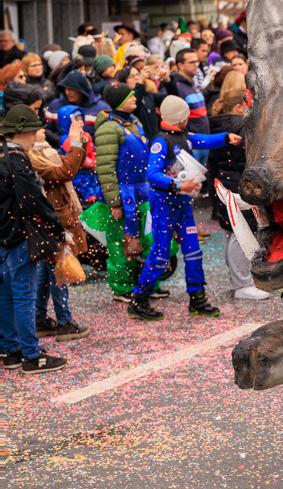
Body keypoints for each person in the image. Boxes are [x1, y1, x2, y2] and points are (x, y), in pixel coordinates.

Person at [127, 96, 241, 321]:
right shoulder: (160, 142)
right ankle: (138, 299)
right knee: (160, 256)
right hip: (164, 206)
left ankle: (197, 298)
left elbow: (205, 140)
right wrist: (179, 185)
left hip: (183, 206)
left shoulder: (185, 136)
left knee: (194, 253)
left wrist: (226, 138)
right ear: (181, 118)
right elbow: (151, 174)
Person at [0, 106, 68, 375]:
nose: (35, 137)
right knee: (24, 295)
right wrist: (57, 227)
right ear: (21, 132)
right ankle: (31, 355)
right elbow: (33, 200)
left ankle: (9, 349)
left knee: (5, 293)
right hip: (19, 235)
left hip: (2, 235)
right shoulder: (16, 158)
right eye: (32, 132)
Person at [94, 82, 167, 305]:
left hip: (141, 192)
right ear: (119, 101)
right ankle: (122, 287)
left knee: (145, 240)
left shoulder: (133, 122)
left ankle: (144, 284)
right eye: (130, 96)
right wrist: (115, 202)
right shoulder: (108, 128)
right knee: (121, 243)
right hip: (123, 196)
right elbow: (105, 168)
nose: (136, 98)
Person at [28, 116, 90, 343]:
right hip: (53, 221)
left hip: (57, 218)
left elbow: (72, 165)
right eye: (38, 129)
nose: (44, 131)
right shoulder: (32, 157)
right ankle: (64, 322)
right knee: (60, 271)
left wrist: (79, 143)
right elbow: (65, 173)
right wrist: (74, 145)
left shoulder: (45, 152)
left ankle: (40, 319)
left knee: (47, 272)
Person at [209, 90, 268, 301]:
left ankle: (238, 280)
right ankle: (242, 283)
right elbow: (247, 158)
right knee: (241, 233)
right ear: (239, 107)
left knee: (229, 232)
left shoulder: (215, 123)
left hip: (224, 181)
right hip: (239, 183)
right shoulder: (240, 125)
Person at [169, 49, 211, 165]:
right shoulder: (176, 87)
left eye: (197, 62)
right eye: (191, 62)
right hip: (190, 145)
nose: (196, 65)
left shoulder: (193, 86)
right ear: (180, 65)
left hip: (203, 143)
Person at [46, 70, 108, 139]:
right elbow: (47, 131)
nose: (67, 93)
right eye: (65, 89)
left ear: (81, 89)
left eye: (71, 89)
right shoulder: (54, 106)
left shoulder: (101, 109)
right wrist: (61, 142)